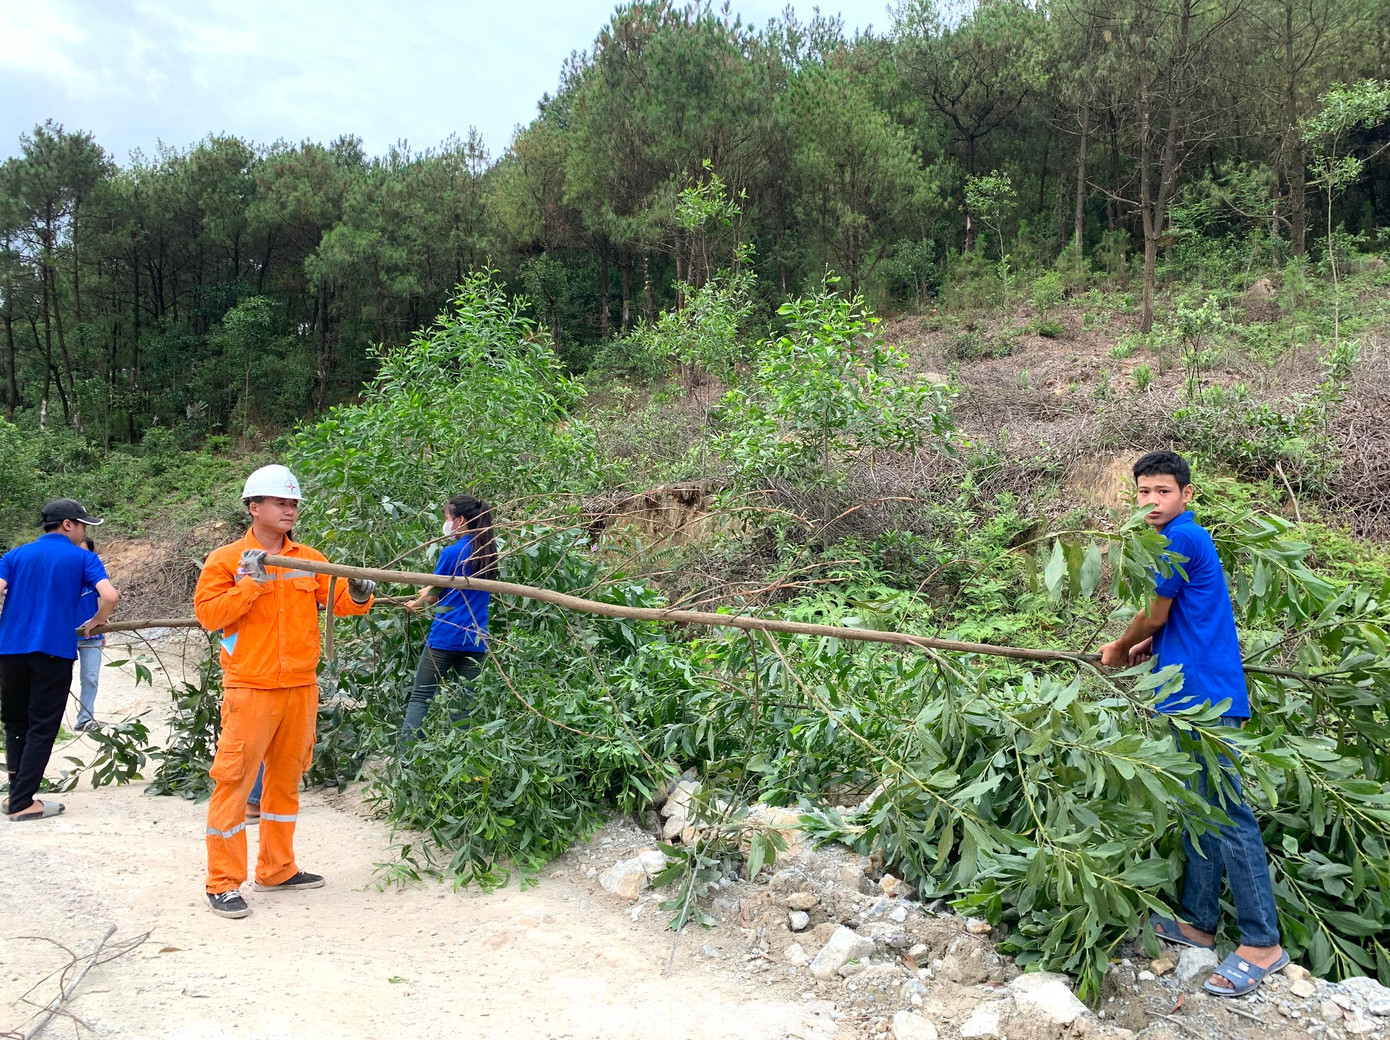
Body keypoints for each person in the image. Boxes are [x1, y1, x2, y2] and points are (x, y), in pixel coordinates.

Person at [1099, 450, 1285, 998]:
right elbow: (1188, 615)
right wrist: (1156, 645)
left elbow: (1155, 611)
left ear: (1186, 495)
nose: (1152, 502)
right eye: (1143, 493)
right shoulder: (1180, 540)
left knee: (1228, 814)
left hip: (1209, 697)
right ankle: (1197, 924)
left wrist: (1119, 645)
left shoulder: (1181, 537)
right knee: (1199, 809)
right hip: (1191, 692)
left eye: (1162, 491)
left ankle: (1262, 944)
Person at [194, 464, 376, 918]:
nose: (290, 510)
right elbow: (210, 616)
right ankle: (223, 882)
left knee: (285, 781)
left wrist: (357, 593)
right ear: (254, 508)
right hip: (251, 688)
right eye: (281, 502)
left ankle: (277, 868)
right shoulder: (225, 560)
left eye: (293, 503)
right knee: (234, 783)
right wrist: (250, 583)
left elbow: (339, 605)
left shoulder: (308, 557)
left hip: (300, 686)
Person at [1, 500, 119, 821]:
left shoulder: (15, 555)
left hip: (10, 651)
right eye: (83, 526)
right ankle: (23, 803)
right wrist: (96, 619)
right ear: (68, 524)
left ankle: (16, 795)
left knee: (15, 723)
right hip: (53, 651)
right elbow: (110, 596)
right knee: (42, 726)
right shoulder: (83, 557)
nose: (84, 533)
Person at [400, 494, 497, 743]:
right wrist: (427, 593)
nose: (446, 525)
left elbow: (432, 596)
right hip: (475, 640)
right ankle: (459, 755)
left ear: (460, 520)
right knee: (464, 704)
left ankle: (407, 756)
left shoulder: (452, 552)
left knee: (421, 696)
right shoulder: (488, 552)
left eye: (447, 518)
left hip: (445, 637)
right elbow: (440, 589)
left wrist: (416, 603)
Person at [74, 536, 105, 732]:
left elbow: (104, 599)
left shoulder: (96, 575)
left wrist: (103, 630)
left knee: (90, 677)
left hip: (91, 634)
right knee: (57, 678)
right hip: (63, 634)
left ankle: (85, 718)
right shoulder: (60, 574)